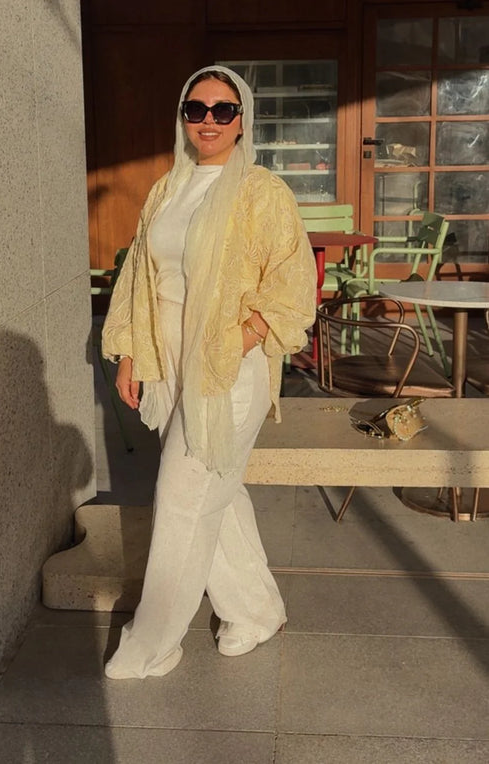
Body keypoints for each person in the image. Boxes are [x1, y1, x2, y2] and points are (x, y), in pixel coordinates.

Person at [101, 65, 317, 679]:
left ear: (242, 120)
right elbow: (139, 276)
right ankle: (255, 611)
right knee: (213, 490)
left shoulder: (262, 192)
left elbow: (293, 281)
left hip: (227, 367)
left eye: (224, 110)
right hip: (167, 358)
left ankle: (153, 640)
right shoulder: (167, 188)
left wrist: (242, 339)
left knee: (181, 497)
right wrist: (131, 352)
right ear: (183, 117)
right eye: (196, 109)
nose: (209, 121)